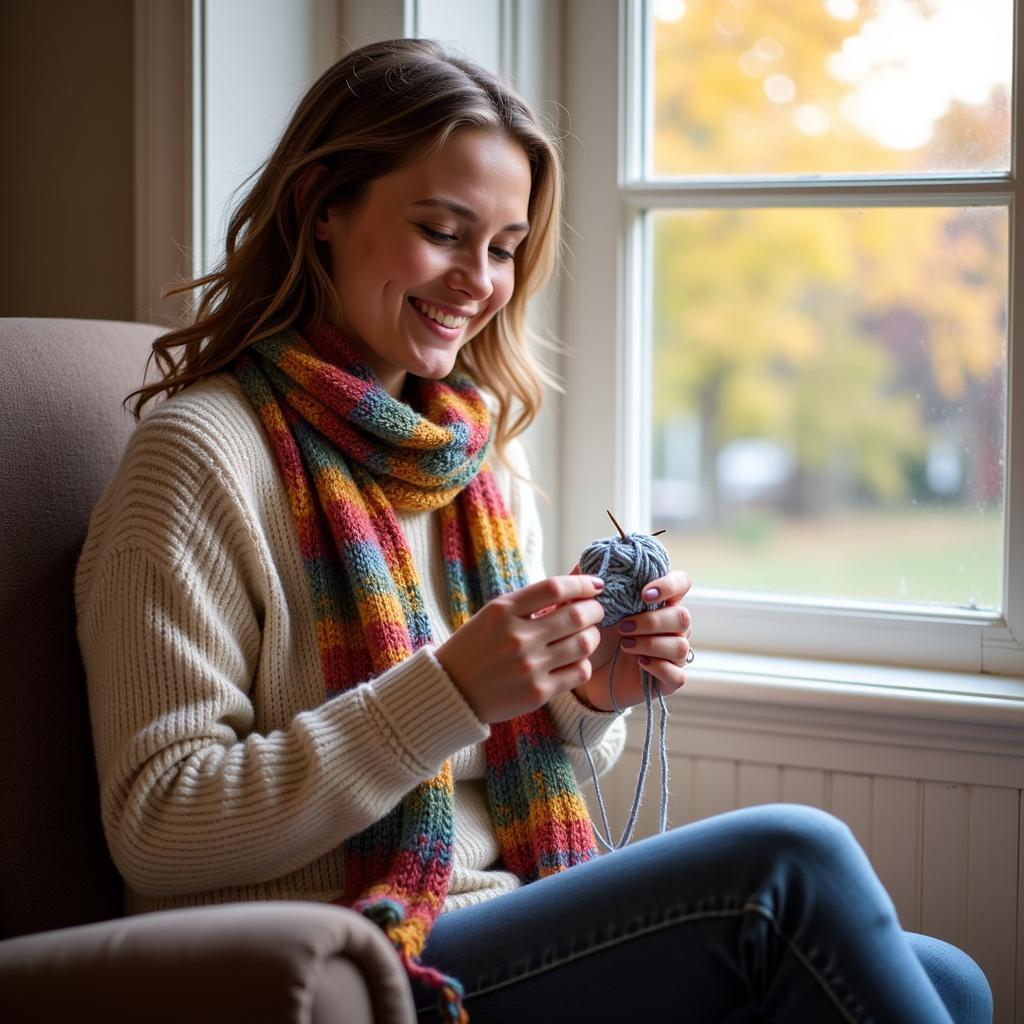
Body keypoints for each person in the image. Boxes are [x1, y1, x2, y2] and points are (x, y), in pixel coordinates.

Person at [76, 38, 992, 1024]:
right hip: (346, 944)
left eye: (505, 247)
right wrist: (451, 688)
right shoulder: (201, 454)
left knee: (948, 978)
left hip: (502, 907)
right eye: (441, 230)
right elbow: (160, 823)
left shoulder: (476, 458)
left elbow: (502, 755)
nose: (478, 279)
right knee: (792, 864)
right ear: (321, 208)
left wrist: (590, 698)